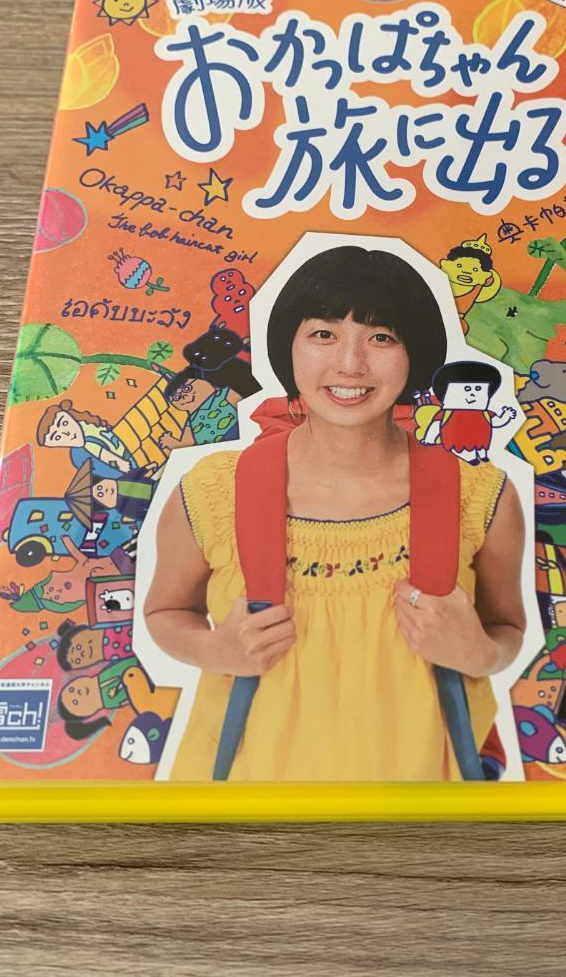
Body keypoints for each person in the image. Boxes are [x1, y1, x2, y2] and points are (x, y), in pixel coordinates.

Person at [145, 246, 527, 782]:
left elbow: (506, 627)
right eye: (323, 333)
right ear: (288, 345)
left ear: (416, 351)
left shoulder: (481, 495)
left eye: (382, 337)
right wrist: (216, 648)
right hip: (243, 800)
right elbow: (165, 612)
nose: (350, 364)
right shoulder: (213, 490)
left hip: (423, 799)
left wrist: (479, 654)